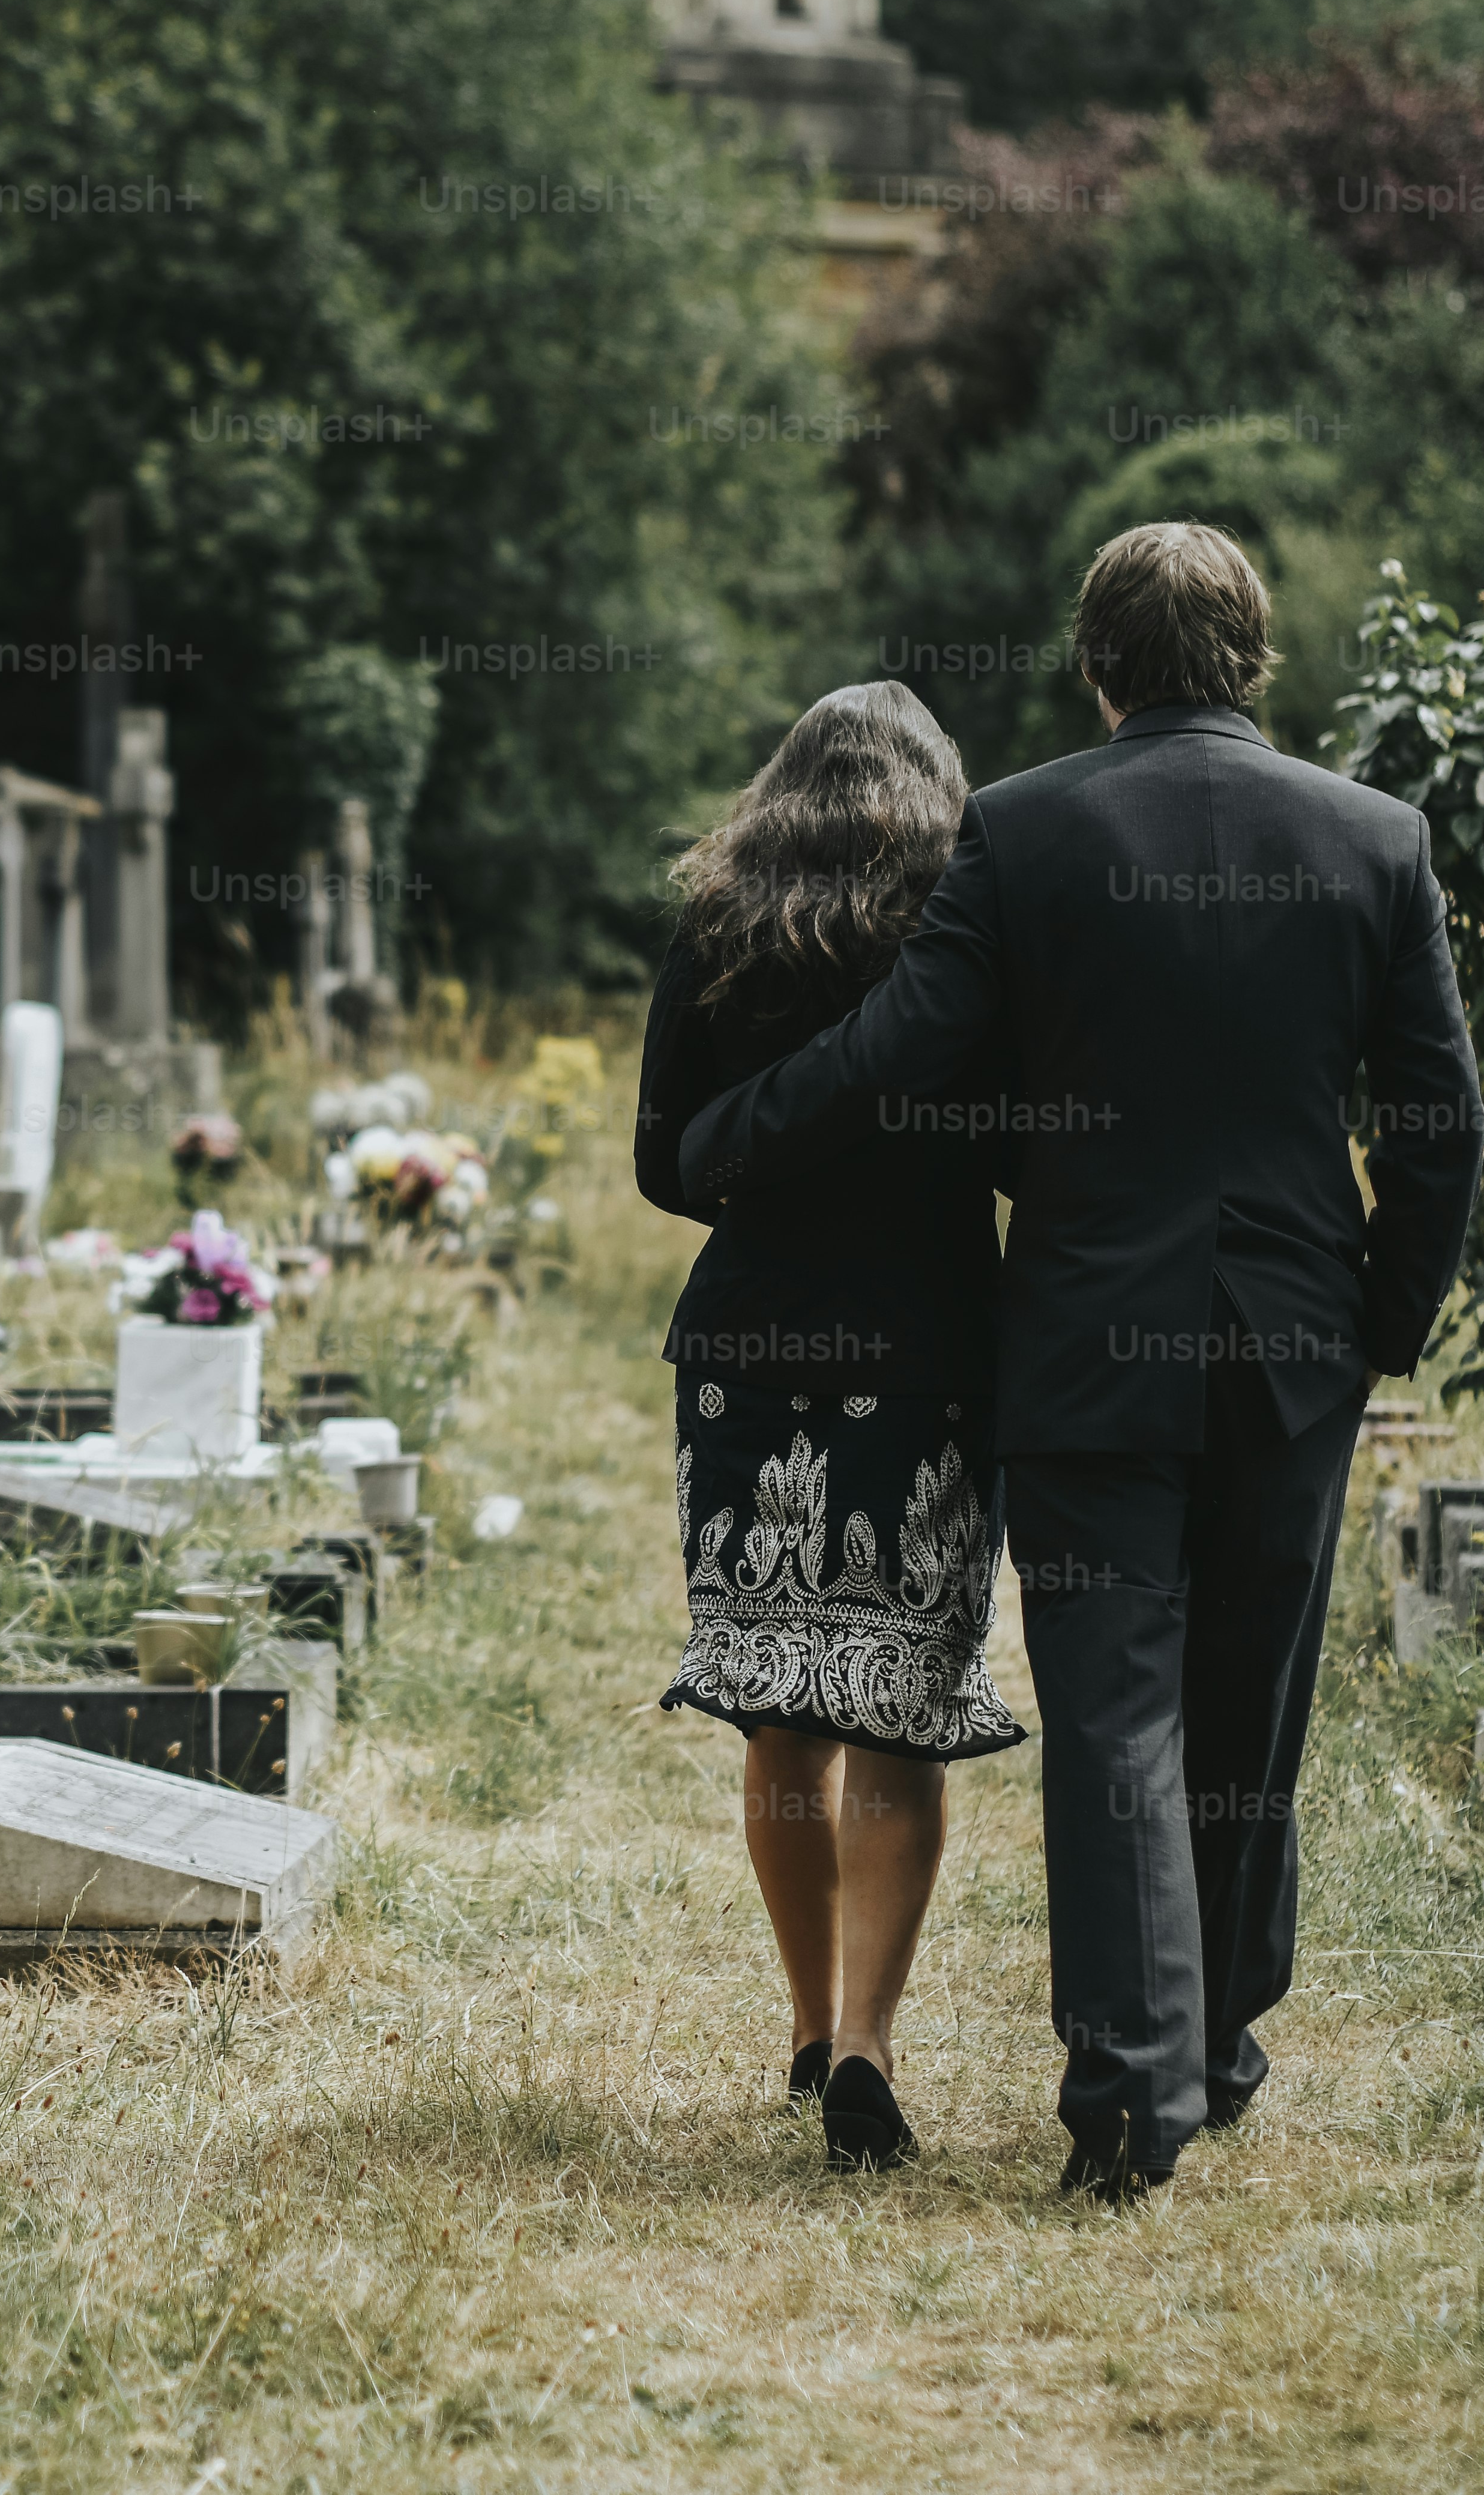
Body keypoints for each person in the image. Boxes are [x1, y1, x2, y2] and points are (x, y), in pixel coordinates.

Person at [677, 525, 1481, 2201]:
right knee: (1247, 1712)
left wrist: (726, 1135)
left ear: (1095, 664)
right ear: (1252, 656)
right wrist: (1375, 1323)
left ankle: (1125, 2099)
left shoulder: (1025, 831)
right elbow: (1437, 1126)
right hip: (1288, 1347)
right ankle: (1217, 2043)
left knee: (1109, 1710)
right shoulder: (1374, 840)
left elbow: (901, 1045)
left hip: (1083, 1345)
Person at [634, 680, 1022, 2174]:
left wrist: (772, 1162)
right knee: (899, 1712)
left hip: (744, 1349)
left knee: (778, 1711)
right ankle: (868, 2041)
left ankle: (804, 2026)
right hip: (923, 1349)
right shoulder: (963, 932)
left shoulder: (723, 920)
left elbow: (666, 1161)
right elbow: (1010, 1145)